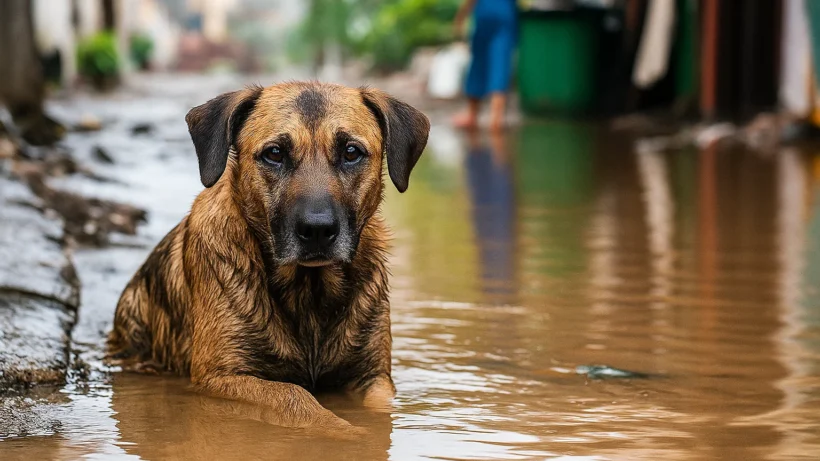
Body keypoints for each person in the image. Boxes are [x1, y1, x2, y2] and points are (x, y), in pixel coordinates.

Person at [452, 0, 518, 131]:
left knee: (480, 63)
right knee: (499, 63)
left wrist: (461, 16)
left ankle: (477, 115)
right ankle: (494, 117)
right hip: (501, 14)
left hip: (487, 14)